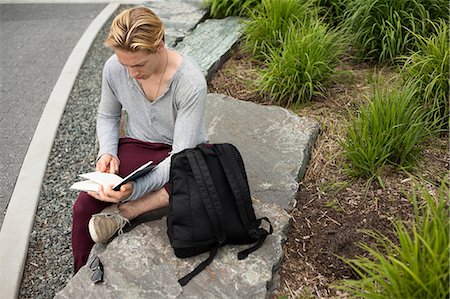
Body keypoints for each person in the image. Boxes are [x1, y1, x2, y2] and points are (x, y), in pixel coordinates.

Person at [71, 6, 208, 272]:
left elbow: (179, 156)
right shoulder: (114, 68)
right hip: (139, 145)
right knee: (83, 206)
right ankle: (78, 273)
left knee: (199, 175)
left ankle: (126, 212)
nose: (131, 73)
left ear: (159, 46)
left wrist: (136, 188)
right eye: (125, 64)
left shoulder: (190, 83)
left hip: (182, 151)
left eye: (139, 65)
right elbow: (107, 116)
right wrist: (107, 153)